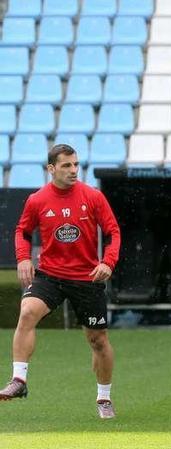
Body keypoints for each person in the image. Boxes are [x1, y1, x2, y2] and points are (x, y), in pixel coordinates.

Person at [0, 144, 121, 419]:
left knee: (98, 341)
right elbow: (22, 231)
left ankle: (104, 398)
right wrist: (22, 258)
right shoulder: (37, 200)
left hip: (86, 277)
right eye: (66, 165)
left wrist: (108, 262)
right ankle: (19, 380)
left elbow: (113, 232)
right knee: (28, 311)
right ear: (51, 168)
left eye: (76, 164)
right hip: (51, 275)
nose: (74, 170)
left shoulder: (93, 197)